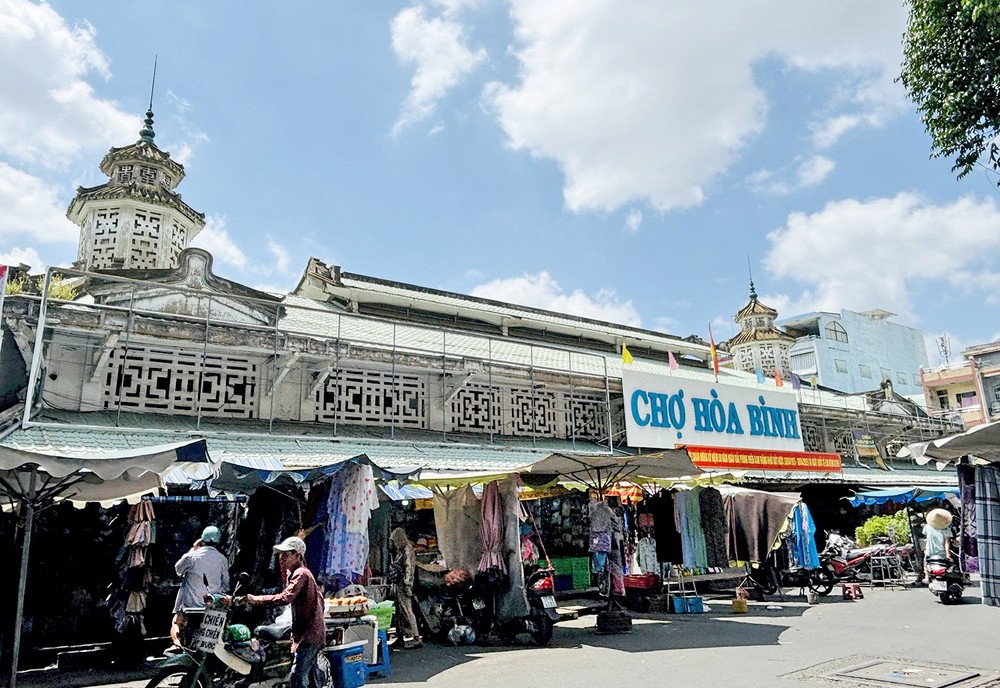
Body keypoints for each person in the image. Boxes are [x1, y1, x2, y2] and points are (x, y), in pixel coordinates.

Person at [237, 536, 326, 688]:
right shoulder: (299, 573)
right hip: (306, 632)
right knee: (306, 675)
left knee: (298, 677)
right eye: (281, 554)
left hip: (309, 634)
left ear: (297, 555)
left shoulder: (301, 574)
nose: (282, 558)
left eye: (286, 554)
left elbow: (285, 598)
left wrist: (255, 600)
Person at [171, 525, 230, 647]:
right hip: (211, 604)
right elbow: (226, 584)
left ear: (202, 540)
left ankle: (177, 645)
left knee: (176, 622)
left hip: (190, 604)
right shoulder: (222, 559)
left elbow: (178, 570)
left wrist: (193, 549)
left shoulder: (192, 556)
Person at [388, 527, 422, 649]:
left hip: (405, 583)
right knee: (399, 611)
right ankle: (400, 636)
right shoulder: (401, 551)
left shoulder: (407, 550)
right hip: (400, 583)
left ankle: (416, 637)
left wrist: (408, 584)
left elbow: (409, 569)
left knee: (407, 609)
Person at [922, 508, 953, 584]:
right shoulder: (946, 529)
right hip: (942, 553)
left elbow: (925, 536)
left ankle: (926, 577)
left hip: (930, 551)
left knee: (925, 563)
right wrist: (947, 554)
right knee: (950, 565)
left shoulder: (927, 527)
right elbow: (947, 542)